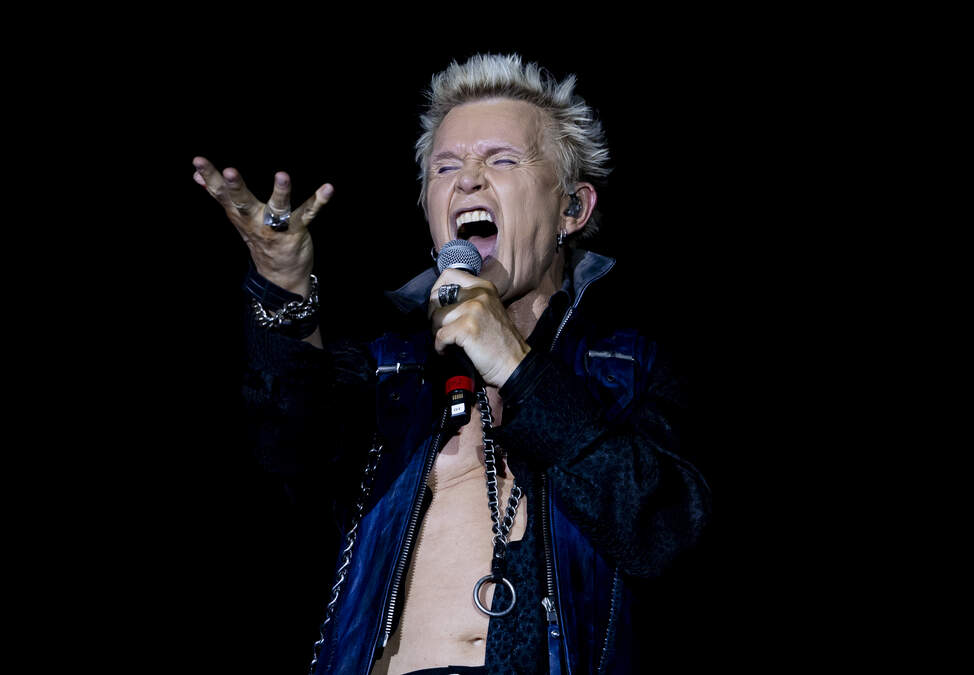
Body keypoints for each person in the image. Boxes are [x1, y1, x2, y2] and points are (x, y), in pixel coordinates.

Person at [193, 53, 711, 674]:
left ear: (572, 208)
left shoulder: (631, 368)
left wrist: (517, 367)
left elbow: (670, 532)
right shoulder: (388, 372)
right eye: (445, 167)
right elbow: (287, 450)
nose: (468, 180)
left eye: (502, 160)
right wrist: (281, 287)